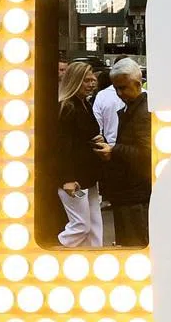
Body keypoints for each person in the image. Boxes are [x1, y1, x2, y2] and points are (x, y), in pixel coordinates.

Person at [94, 59, 151, 247]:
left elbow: (146, 153)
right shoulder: (136, 108)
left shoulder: (142, 112)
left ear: (137, 83)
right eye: (116, 88)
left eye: (123, 88)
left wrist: (114, 150)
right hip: (131, 191)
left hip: (134, 193)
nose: (120, 94)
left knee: (133, 244)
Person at [56, 61, 103, 249]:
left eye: (93, 80)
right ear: (75, 81)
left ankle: (95, 257)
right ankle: (55, 248)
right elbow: (62, 147)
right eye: (86, 80)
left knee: (94, 225)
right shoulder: (67, 107)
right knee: (81, 225)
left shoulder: (84, 104)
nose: (92, 84)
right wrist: (67, 178)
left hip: (87, 175)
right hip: (74, 177)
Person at [92, 66, 124, 146]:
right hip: (136, 148)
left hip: (109, 145)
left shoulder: (102, 95)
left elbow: (97, 124)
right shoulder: (146, 94)